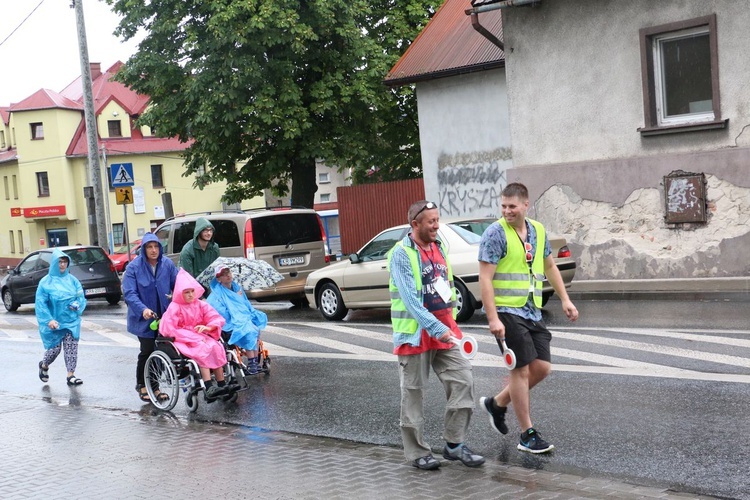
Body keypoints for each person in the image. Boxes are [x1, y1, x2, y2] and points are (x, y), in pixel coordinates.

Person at [477, 182, 579, 454]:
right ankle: (526, 434)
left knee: (542, 367)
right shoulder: (495, 234)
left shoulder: (538, 230)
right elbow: (484, 278)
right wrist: (492, 318)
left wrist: (565, 299)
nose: (507, 211)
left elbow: (548, 266)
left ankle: (497, 404)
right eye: (503, 206)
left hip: (531, 309)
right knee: (519, 371)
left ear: (525, 205)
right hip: (506, 312)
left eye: (512, 206)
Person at [387, 200, 484, 471]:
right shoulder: (401, 254)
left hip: (447, 333)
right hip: (416, 335)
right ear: (415, 224)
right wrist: (439, 330)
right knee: (413, 395)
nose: (436, 225)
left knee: (463, 381)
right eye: (431, 221)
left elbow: (447, 287)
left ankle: (454, 444)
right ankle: (417, 452)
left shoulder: (439, 246)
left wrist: (450, 326)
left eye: (437, 220)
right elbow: (411, 302)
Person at [160, 269, 234, 400]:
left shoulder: (200, 304)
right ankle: (208, 385)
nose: (190, 295)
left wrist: (208, 327)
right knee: (203, 349)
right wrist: (189, 335)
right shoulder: (174, 307)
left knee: (217, 347)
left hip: (200, 336)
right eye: (186, 292)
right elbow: (168, 328)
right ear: (179, 293)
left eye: (192, 291)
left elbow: (214, 317)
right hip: (182, 339)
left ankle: (221, 384)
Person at [122, 232, 179, 403]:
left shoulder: (167, 264)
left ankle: (155, 386)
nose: (153, 250)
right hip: (144, 317)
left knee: (163, 351)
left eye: (156, 247)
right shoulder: (134, 267)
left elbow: (178, 284)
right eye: (149, 247)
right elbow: (130, 293)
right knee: (147, 351)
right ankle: (142, 385)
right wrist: (143, 309)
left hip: (165, 316)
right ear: (144, 249)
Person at [35, 249, 86, 386]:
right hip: (55, 322)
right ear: (54, 264)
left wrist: (78, 304)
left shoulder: (73, 280)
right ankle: (44, 365)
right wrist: (49, 320)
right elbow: (41, 304)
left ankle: (71, 375)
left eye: (65, 262)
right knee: (54, 349)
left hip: (71, 321)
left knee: (71, 347)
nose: (62, 265)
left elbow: (81, 297)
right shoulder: (45, 282)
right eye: (59, 262)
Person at [206, 264, 268, 375]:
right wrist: (236, 299)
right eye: (223, 275)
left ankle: (254, 362)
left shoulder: (237, 288)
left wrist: (245, 310)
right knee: (248, 330)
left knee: (254, 327)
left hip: (242, 318)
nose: (227, 276)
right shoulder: (216, 295)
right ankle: (252, 363)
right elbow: (221, 313)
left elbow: (246, 305)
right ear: (219, 279)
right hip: (229, 323)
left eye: (228, 272)